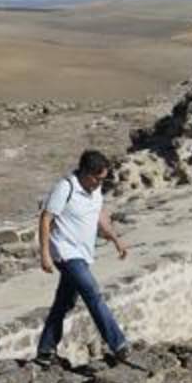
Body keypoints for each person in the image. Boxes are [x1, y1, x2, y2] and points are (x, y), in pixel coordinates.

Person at [35, 149, 131, 365]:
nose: (100, 183)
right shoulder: (65, 188)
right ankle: (119, 344)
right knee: (92, 293)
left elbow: (99, 215)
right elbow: (46, 218)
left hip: (84, 253)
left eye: (103, 179)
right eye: (98, 178)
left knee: (64, 303)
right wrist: (45, 254)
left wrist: (115, 239)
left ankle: (45, 350)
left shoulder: (94, 189)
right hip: (66, 253)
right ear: (86, 173)